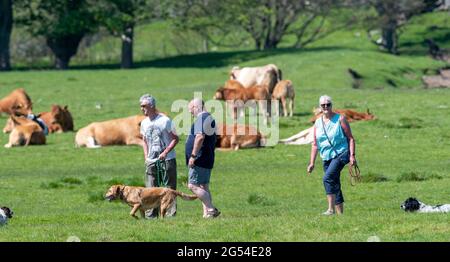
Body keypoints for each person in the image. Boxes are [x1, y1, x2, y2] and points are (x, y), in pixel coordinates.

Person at [307, 95, 356, 215]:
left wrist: (352, 156)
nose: (326, 107)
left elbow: (350, 138)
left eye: (328, 104)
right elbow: (315, 144)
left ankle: (330, 209)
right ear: (320, 107)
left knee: (327, 178)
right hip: (326, 156)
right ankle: (341, 215)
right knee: (334, 182)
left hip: (341, 154)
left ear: (331, 105)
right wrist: (312, 162)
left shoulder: (340, 119)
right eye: (323, 105)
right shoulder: (318, 122)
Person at [140, 94, 179, 218]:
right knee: (150, 189)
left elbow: (175, 139)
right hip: (151, 160)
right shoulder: (144, 123)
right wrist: (146, 156)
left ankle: (170, 214)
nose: (142, 108)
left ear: (152, 106)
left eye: (144, 106)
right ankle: (151, 215)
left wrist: (165, 152)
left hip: (167, 159)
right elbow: (144, 141)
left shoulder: (165, 120)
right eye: (141, 106)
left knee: (169, 188)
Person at [185, 98, 221, 218]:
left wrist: (193, 156)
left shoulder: (202, 119)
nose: (191, 113)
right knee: (203, 186)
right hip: (207, 157)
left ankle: (211, 209)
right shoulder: (209, 118)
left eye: (191, 110)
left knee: (192, 185)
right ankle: (207, 214)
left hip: (199, 158)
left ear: (196, 107)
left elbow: (200, 137)